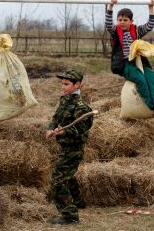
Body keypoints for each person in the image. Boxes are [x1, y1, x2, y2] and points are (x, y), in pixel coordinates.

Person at [105, 0, 154, 120]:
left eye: (125, 20)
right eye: (120, 20)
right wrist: (111, 6)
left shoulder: (137, 30)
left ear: (131, 20)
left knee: (151, 77)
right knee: (141, 79)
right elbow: (108, 23)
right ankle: (152, 107)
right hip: (125, 64)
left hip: (139, 61)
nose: (122, 22)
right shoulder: (115, 32)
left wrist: (151, 7)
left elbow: (150, 25)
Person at [46, 69, 93, 225]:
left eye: (66, 84)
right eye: (62, 84)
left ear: (77, 84)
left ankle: (70, 215)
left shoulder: (82, 108)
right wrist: (51, 128)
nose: (63, 87)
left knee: (57, 181)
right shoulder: (65, 100)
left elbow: (81, 129)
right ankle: (78, 202)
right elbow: (56, 117)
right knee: (68, 176)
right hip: (65, 148)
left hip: (73, 149)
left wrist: (64, 132)